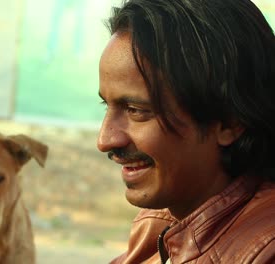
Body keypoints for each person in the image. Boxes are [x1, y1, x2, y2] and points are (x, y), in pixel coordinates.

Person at [96, 0, 275, 263]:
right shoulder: (159, 229)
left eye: (136, 109)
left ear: (228, 123)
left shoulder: (262, 251)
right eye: (106, 105)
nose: (105, 140)